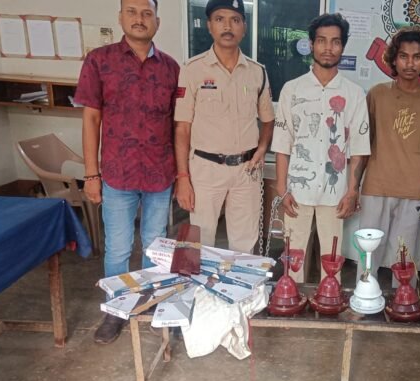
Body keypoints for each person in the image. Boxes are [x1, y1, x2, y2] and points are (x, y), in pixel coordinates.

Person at [75, 0, 180, 344]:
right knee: (118, 247)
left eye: (147, 13)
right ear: (120, 17)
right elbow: (91, 118)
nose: (139, 19)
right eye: (132, 12)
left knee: (155, 245)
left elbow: (178, 123)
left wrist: (181, 174)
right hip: (117, 173)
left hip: (159, 172)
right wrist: (91, 174)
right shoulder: (99, 61)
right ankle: (116, 310)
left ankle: (154, 304)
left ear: (157, 22)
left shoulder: (171, 68)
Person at [271, 13, 371, 283]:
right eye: (322, 41)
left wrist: (352, 190)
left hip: (335, 192)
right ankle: (292, 298)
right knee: (293, 258)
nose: (328, 48)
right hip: (296, 190)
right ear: (312, 44)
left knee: (332, 258)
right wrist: (281, 187)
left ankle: (329, 300)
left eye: (335, 42)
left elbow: (359, 148)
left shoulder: (353, 94)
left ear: (343, 46)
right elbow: (282, 142)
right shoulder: (292, 90)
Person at [174, 0, 275, 252]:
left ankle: (240, 281)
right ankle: (202, 281)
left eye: (235, 20)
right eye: (220, 19)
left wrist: (263, 147)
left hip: (246, 170)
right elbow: (182, 128)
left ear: (244, 27)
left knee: (244, 244)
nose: (228, 26)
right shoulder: (192, 70)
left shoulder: (257, 72)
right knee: (200, 243)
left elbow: (268, 119)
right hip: (205, 169)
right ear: (209, 25)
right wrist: (183, 177)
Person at [355, 26, 420, 286]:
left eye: (417, 57)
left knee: (404, 256)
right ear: (394, 59)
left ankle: (403, 301)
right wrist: (354, 187)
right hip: (375, 187)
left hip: (412, 190)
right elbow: (363, 146)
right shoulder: (377, 94)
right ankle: (363, 295)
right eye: (403, 56)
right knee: (369, 252)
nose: (410, 63)